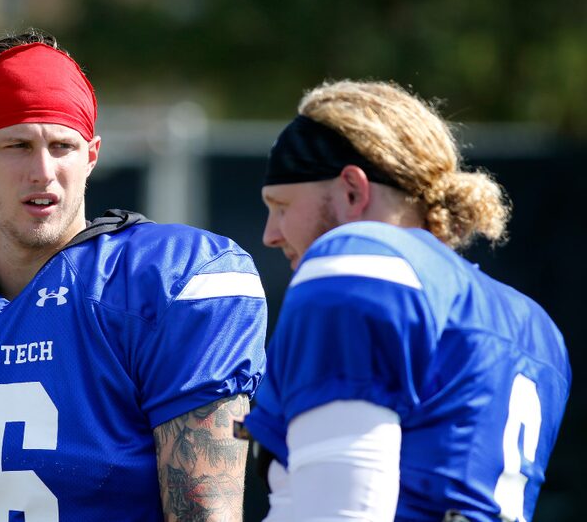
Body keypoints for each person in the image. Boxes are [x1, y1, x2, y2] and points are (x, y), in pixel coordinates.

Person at [0, 29, 267, 521]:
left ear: (91, 156)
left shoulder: (169, 284)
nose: (43, 171)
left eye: (62, 146)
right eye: (18, 145)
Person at [240, 80, 571, 522]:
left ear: (352, 191)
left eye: (281, 205)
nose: (270, 233)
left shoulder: (358, 264)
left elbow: (341, 513)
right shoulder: (533, 324)